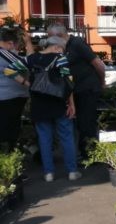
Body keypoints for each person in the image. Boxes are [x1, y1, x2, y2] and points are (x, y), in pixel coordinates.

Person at [46, 24, 106, 159]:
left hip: (87, 88)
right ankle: (84, 152)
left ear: (59, 35)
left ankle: (89, 155)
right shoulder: (61, 47)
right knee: (80, 123)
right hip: (75, 90)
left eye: (50, 37)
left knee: (86, 122)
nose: (49, 40)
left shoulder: (77, 44)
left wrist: (102, 82)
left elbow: (98, 64)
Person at [25, 36, 80, 182]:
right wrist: (72, 104)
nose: (63, 52)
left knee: (44, 139)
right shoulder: (60, 59)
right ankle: (72, 171)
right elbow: (68, 82)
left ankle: (48, 173)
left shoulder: (31, 59)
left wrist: (27, 83)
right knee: (66, 137)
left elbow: (10, 71)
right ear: (56, 47)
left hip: (38, 105)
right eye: (62, 49)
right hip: (59, 104)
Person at [0, 27, 30, 151]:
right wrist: (29, 44)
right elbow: (28, 64)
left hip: (7, 96)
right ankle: (9, 154)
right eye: (18, 46)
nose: (17, 49)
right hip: (10, 97)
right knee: (9, 128)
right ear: (10, 43)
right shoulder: (4, 53)